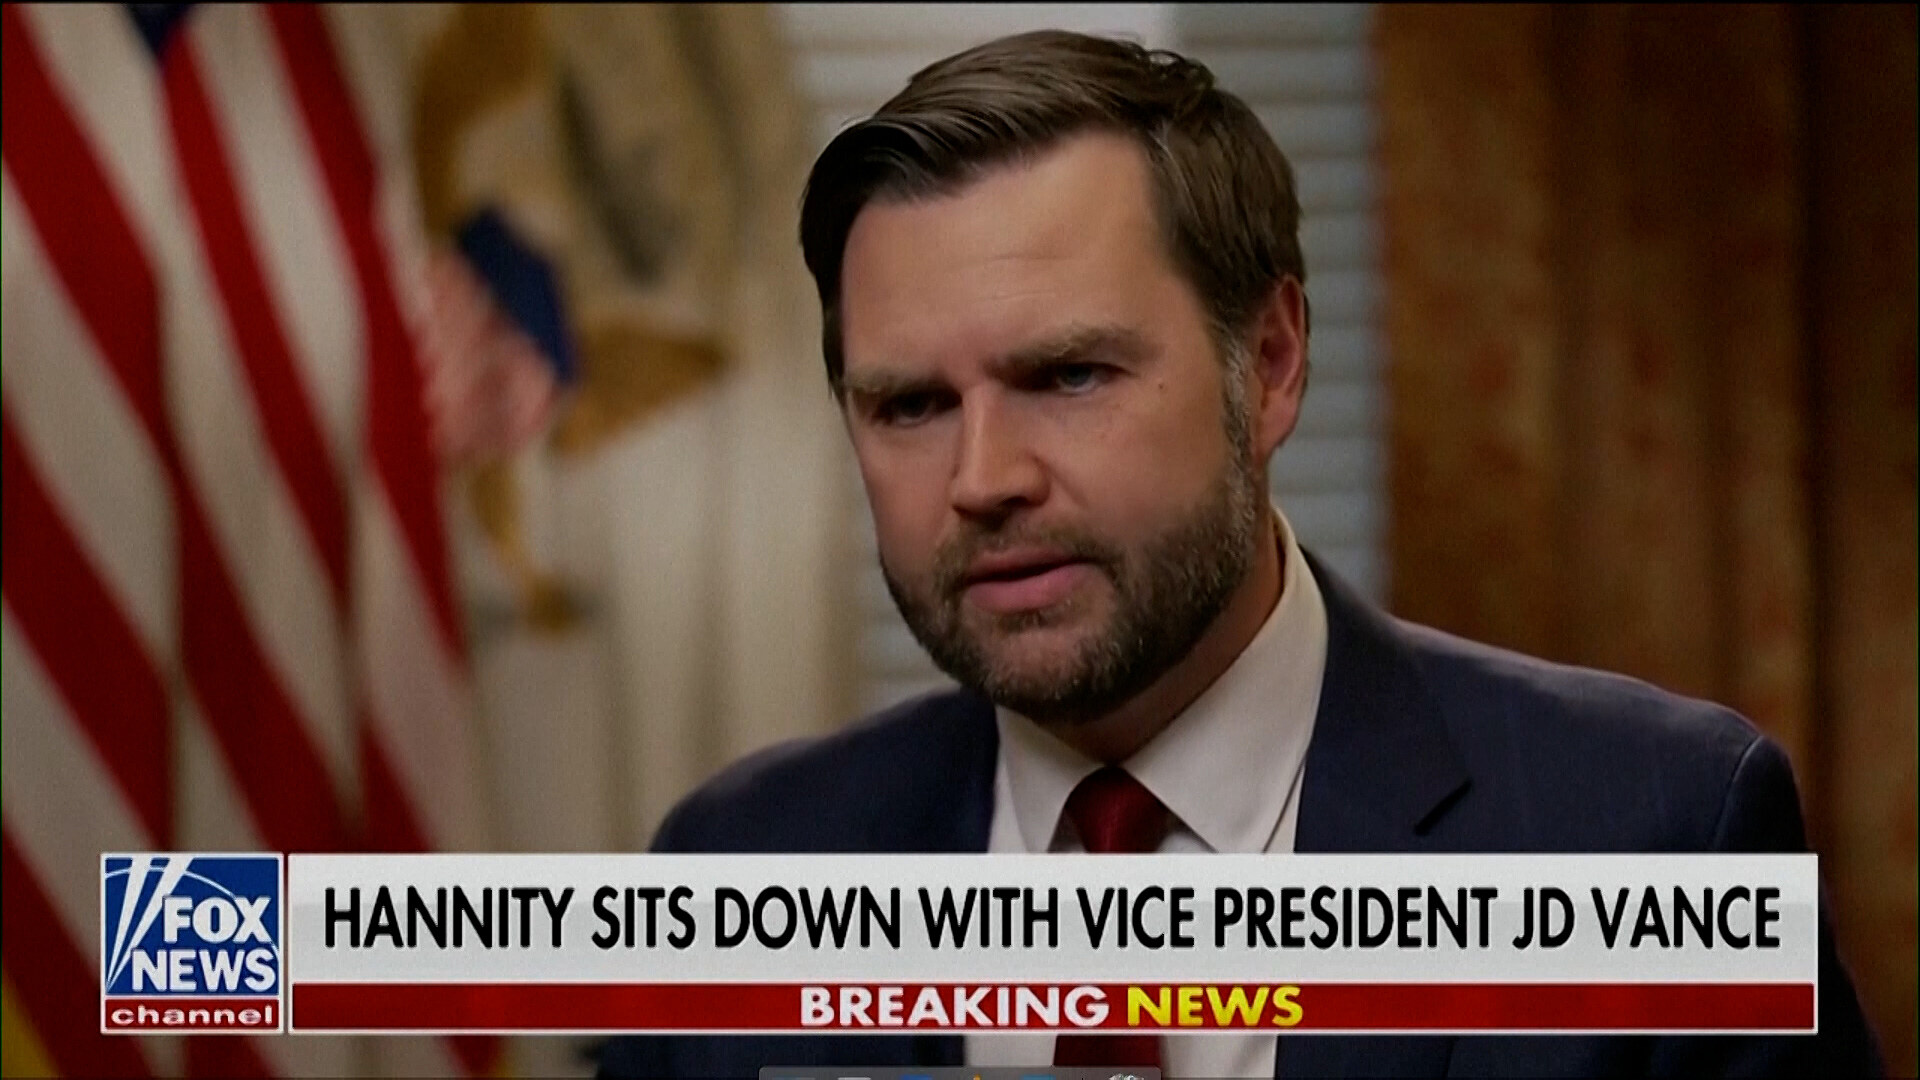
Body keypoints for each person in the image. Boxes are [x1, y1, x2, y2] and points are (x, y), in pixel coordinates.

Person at [598, 30, 1881, 1079]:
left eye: (1069, 375)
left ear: (1268, 365)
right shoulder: (740, 867)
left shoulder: (1650, 839)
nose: (983, 479)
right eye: (911, 405)